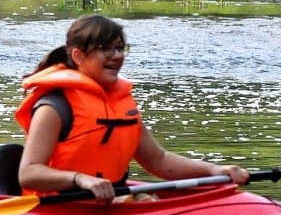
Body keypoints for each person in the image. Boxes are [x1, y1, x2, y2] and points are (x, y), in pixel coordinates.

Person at [17, 14, 249, 200]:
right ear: (78, 56)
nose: (117, 56)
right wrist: (80, 179)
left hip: (111, 201)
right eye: (106, 49)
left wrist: (213, 170)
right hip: (60, 204)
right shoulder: (54, 106)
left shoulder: (120, 103)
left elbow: (158, 160)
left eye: (120, 48)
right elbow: (28, 173)